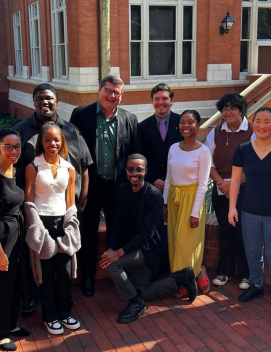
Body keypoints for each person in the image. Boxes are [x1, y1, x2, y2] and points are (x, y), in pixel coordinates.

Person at [13, 83, 93, 316]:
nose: (44, 102)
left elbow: (84, 167)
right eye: (39, 98)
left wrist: (82, 200)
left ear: (57, 101)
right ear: (34, 101)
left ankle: (64, 299)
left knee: (64, 261)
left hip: (68, 209)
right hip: (38, 212)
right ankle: (38, 298)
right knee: (41, 261)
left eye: (49, 98)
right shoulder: (21, 131)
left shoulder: (71, 130)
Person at [101, 154, 197, 323]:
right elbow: (117, 223)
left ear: (145, 171)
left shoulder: (154, 196)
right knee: (140, 291)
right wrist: (111, 248)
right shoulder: (123, 190)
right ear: (126, 171)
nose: (134, 173)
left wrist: (119, 253)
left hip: (150, 249)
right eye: (130, 169)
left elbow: (147, 234)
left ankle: (135, 303)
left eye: (139, 169)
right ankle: (180, 279)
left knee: (112, 265)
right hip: (134, 246)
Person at [70, 74, 139, 297]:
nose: (112, 95)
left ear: (122, 95)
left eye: (116, 92)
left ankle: (114, 272)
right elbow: (72, 152)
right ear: (99, 90)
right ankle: (88, 276)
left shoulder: (130, 118)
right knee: (87, 231)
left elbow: (135, 154)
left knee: (117, 232)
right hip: (90, 186)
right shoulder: (81, 115)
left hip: (117, 187)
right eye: (108, 90)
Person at [228, 107, 271, 312]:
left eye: (267, 121)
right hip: (248, 210)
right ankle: (256, 285)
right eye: (258, 121)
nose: (262, 125)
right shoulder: (243, 150)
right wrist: (232, 207)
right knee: (252, 253)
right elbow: (235, 181)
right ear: (253, 124)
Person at [24, 124, 81, 335]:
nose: (52, 144)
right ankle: (49, 316)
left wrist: (71, 227)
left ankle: (65, 312)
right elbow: (28, 202)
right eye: (47, 140)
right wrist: (36, 228)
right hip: (42, 224)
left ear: (62, 142)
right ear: (41, 142)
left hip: (63, 224)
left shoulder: (69, 168)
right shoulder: (33, 167)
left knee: (64, 273)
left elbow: (70, 201)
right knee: (46, 274)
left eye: (56, 140)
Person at [0, 129, 30, 351]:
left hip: (17, 231)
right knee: (2, 285)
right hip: (0, 234)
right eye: (8, 147)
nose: (14, 151)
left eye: (17, 146)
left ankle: (10, 325)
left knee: (16, 281)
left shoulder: (17, 172)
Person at [205, 93, 254, 290]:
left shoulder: (252, 131)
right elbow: (208, 162)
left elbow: (254, 166)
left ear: (241, 109)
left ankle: (245, 275)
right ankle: (224, 272)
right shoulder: (215, 132)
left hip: (244, 189)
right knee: (225, 232)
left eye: (233, 108)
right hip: (221, 189)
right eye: (224, 109)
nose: (228, 112)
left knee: (244, 233)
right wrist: (221, 184)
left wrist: (231, 185)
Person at [163, 110, 212, 297]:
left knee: (188, 244)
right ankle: (183, 280)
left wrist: (194, 212)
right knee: (175, 243)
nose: (186, 125)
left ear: (197, 125)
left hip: (192, 200)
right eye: (182, 122)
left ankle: (198, 272)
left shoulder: (203, 151)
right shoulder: (174, 148)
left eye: (190, 122)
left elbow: (203, 184)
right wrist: (164, 203)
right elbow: (168, 177)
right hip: (174, 198)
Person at [137, 84, 182, 280]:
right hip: (153, 187)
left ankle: (178, 266)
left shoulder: (183, 123)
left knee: (177, 228)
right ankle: (160, 267)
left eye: (165, 98)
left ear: (171, 100)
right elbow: (140, 156)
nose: (161, 102)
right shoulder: (142, 126)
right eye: (157, 99)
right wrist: (153, 178)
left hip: (179, 187)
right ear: (152, 101)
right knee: (157, 229)